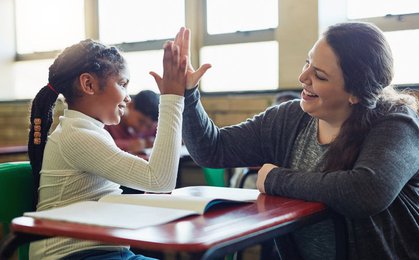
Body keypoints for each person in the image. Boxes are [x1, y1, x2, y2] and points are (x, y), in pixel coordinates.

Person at [180, 22, 419, 259]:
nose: (303, 77)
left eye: (320, 76)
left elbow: (365, 192)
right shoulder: (288, 118)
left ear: (356, 93)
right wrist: (188, 94)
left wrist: (275, 178)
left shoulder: (396, 122)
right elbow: (212, 150)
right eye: (308, 62)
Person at [27, 27, 194, 260]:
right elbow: (160, 179)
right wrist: (172, 98)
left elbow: (118, 193)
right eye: (123, 83)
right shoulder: (77, 136)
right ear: (89, 84)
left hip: (106, 251)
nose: (128, 96)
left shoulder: (87, 130)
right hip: (75, 255)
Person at [105, 90, 159, 155]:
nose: (142, 129)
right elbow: (100, 144)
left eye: (148, 127)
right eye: (141, 121)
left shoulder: (153, 128)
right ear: (130, 105)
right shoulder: (109, 120)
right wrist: (130, 145)